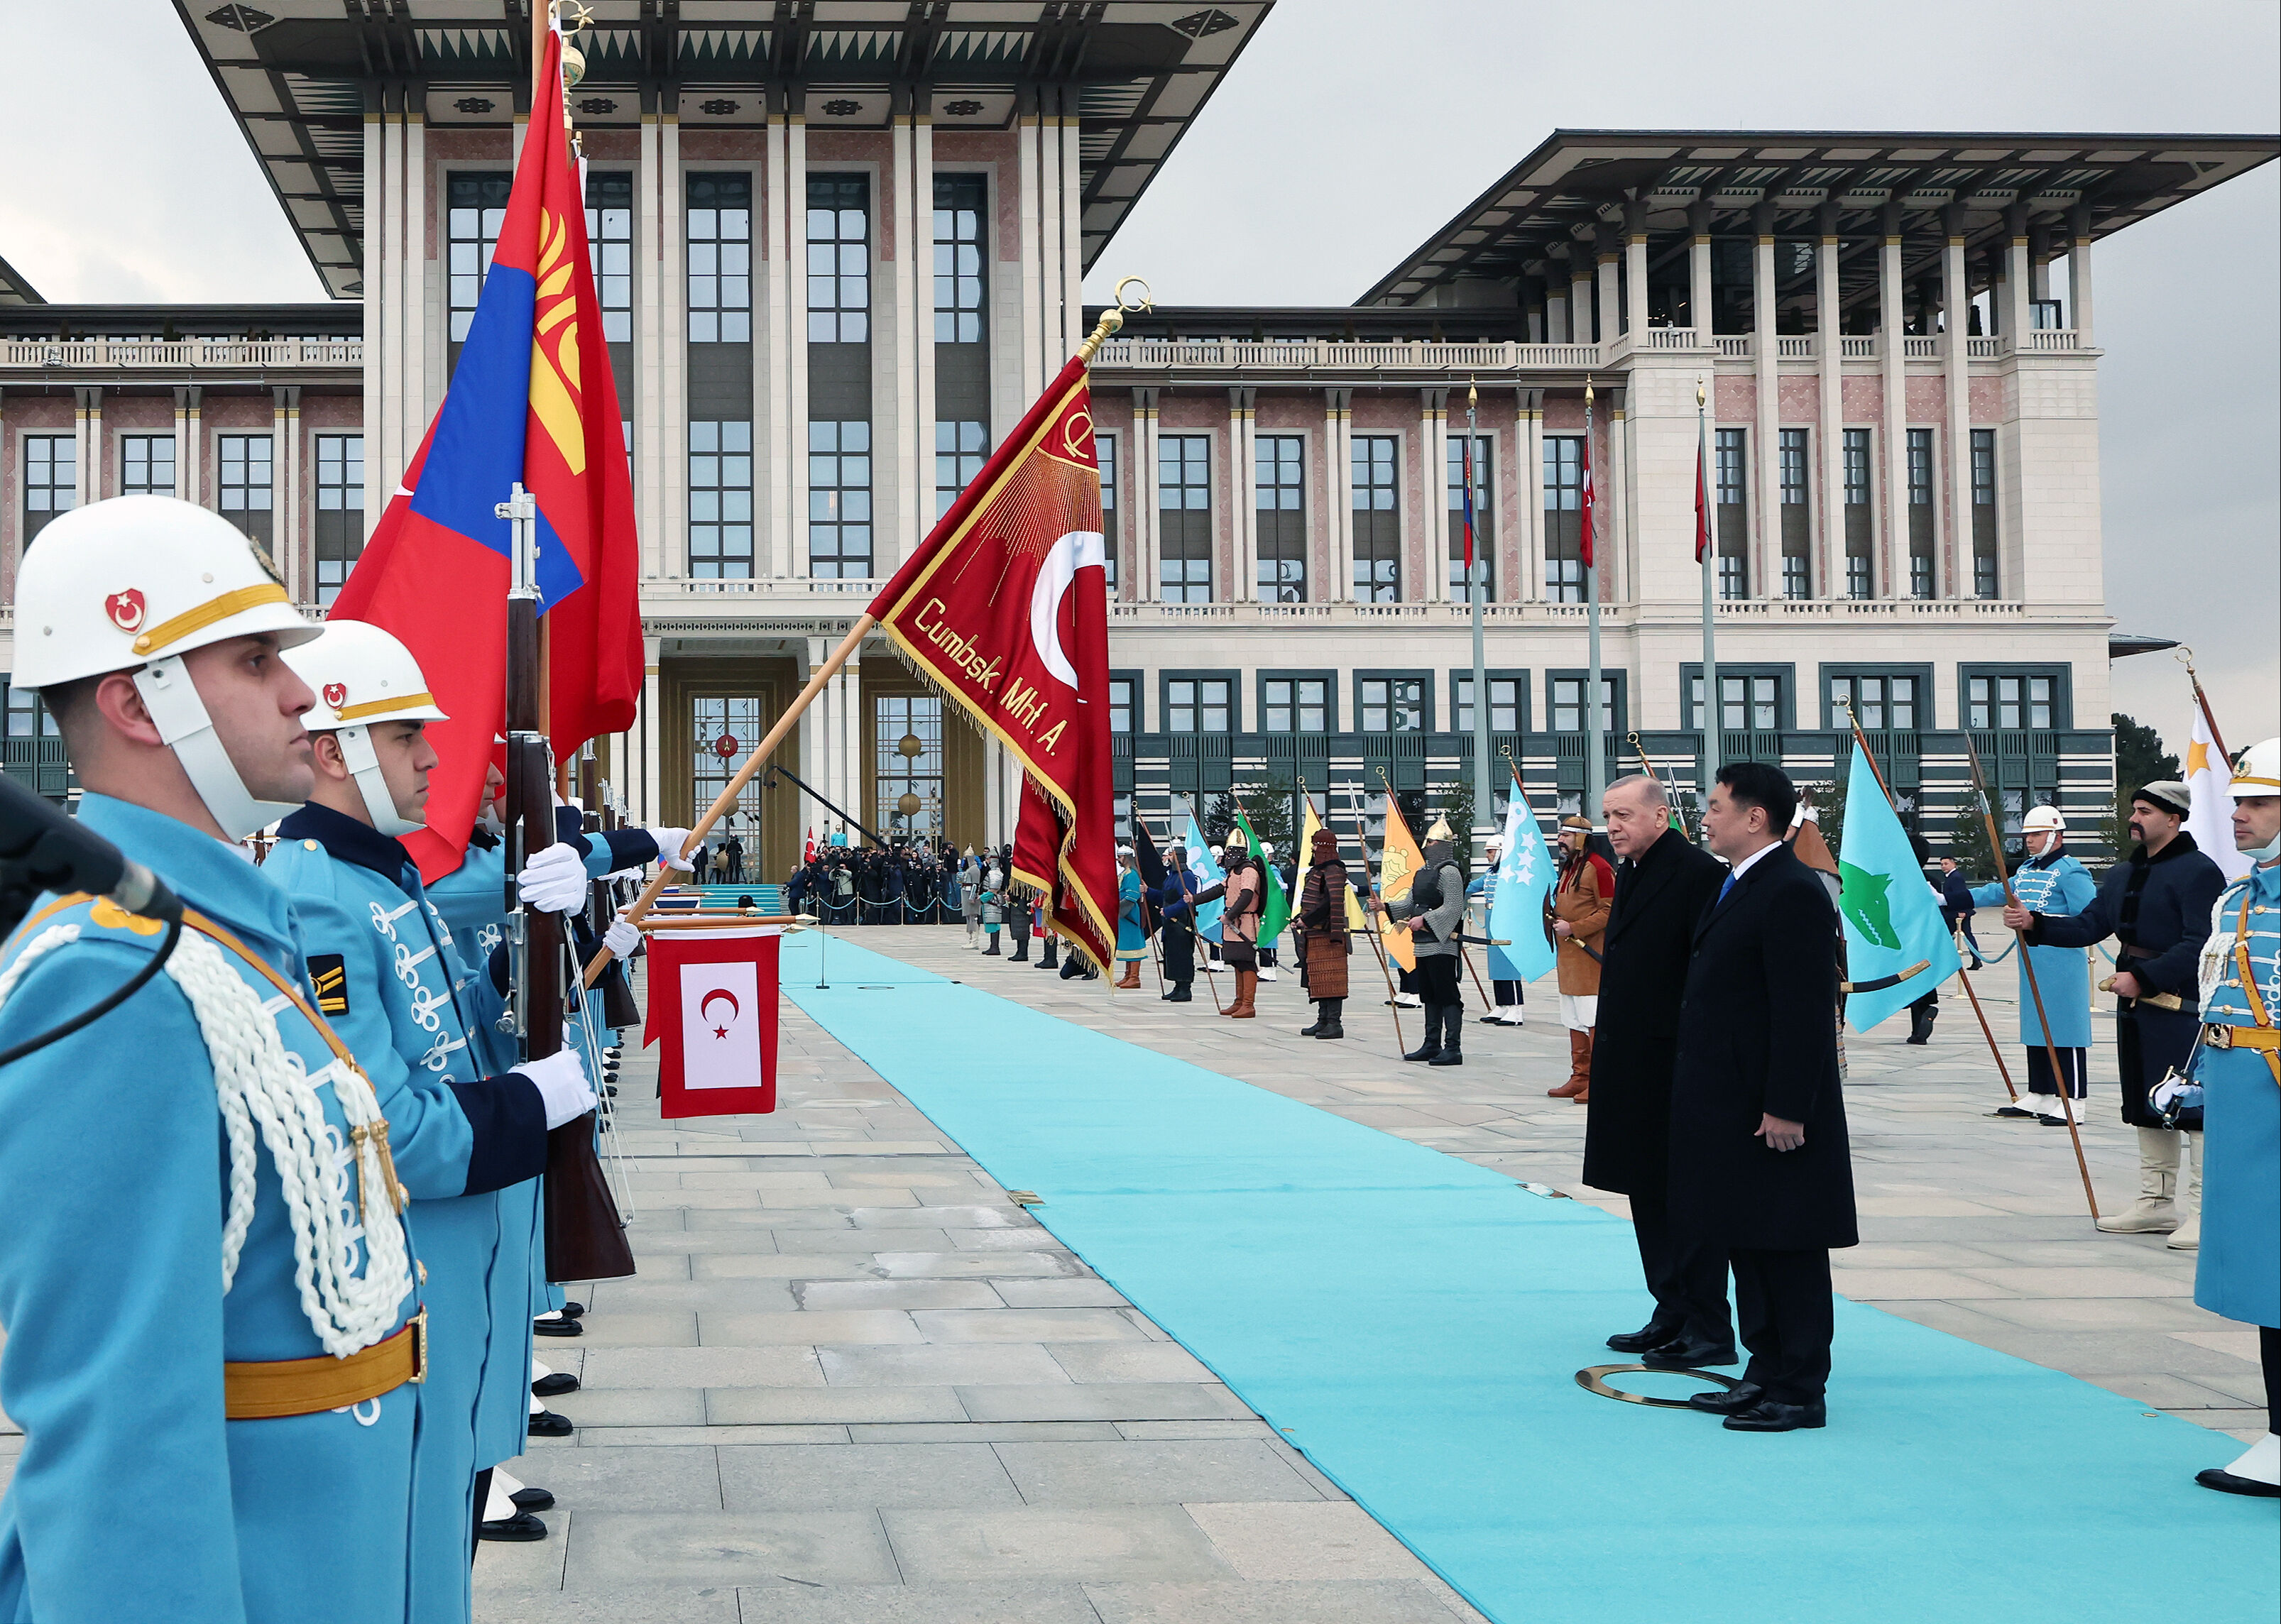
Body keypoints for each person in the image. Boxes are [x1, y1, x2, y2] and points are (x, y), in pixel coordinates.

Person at [0, 497, 425, 1618]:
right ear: (139, 704)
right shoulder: (112, 978)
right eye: (254, 661)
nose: (303, 691)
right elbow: (120, 1429)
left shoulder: (230, 943)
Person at [263, 626, 656, 1604]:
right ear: (334, 750)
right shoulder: (317, 896)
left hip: (460, 1274)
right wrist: (533, 1101)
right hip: (411, 1271)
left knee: (447, 1547)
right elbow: (385, 1127)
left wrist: (541, 949)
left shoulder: (386, 878)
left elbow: (461, 1024)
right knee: (414, 1569)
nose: (433, 757)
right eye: (405, 737)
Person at [1671, 763, 1856, 1432]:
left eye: (1717, 806)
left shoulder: (1791, 890)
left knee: (1789, 1245)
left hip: (1774, 1107)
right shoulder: (1737, 884)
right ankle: (1764, 1369)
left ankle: (1800, 1387)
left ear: (1755, 818)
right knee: (1748, 1238)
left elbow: (1803, 1010)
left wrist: (1787, 1105)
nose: (1706, 816)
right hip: (1731, 1103)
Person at [2006, 780, 2225, 1243]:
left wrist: (2145, 977)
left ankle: (2207, 1211)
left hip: (2181, 1005)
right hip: (2136, 1007)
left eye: (2145, 811)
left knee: (2191, 1104)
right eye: (2134, 810)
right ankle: (2155, 1202)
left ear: (2173, 818)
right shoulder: (2124, 874)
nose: (2135, 818)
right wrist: (2035, 924)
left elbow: (2198, 942)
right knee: (2147, 1100)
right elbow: (2090, 925)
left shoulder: (2198, 871)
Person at [1582, 773, 1734, 1368]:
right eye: (1607, 815)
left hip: (1674, 1065)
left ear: (1659, 816)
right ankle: (1669, 1309)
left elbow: (1706, 976)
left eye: (1622, 815)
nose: (1612, 826)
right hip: (1633, 1063)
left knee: (1685, 1198)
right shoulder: (1636, 870)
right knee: (1647, 1192)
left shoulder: (1697, 875)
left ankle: (1707, 1327)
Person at [2184, 738, 2280, 1497]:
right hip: (2243, 1095)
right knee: (2261, 1273)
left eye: (2259, 801)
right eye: (2240, 800)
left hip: (2274, 1094)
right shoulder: (2239, 896)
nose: (2238, 813)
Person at [1971, 806, 2096, 1126]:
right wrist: (1948, 897)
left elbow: (2090, 917)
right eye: (2026, 835)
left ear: (2056, 835)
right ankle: (2041, 1093)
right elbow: (1996, 892)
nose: (2029, 841)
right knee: (2037, 1026)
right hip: (2032, 960)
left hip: (2063, 959)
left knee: (2066, 1029)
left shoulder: (2071, 872)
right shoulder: (2026, 869)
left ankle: (2074, 1099)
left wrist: (2039, 922)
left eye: (2036, 834)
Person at [1378, 816, 1467, 1065]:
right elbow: (1410, 903)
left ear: (1440, 845)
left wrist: (1425, 920)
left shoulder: (1450, 872)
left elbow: (1453, 907)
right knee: (1429, 994)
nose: (1426, 847)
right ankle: (1431, 1044)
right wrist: (1384, 906)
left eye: (1430, 843)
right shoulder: (1423, 872)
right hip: (1423, 944)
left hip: (1442, 942)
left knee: (1446, 994)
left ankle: (1453, 1048)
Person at [1548, 813, 1614, 1100]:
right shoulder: (1568, 867)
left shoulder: (1599, 867)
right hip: (1569, 956)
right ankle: (1580, 1076)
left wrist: (1574, 927)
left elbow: (1610, 910)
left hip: (1590, 956)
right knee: (1573, 1019)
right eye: (1560, 835)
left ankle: (1599, 1079)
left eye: (1566, 836)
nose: (1560, 840)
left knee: (1592, 1018)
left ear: (1582, 838)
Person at [1296, 825, 1351, 1038]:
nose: (1313, 848)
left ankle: (1334, 1023)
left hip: (1329, 934)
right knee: (1319, 979)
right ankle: (1322, 1020)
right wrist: (1299, 919)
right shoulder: (1318, 871)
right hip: (1315, 933)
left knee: (1332, 979)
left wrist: (1307, 919)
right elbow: (1313, 901)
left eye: (1316, 844)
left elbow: (1331, 901)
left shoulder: (1334, 869)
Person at [1467, 836, 1526, 1026]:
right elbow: (1472, 887)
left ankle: (1516, 1008)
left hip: (1507, 919)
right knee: (1496, 964)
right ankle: (1502, 1004)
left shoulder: (1512, 872)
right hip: (1492, 917)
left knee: (1509, 964)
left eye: (1490, 851)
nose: (1487, 855)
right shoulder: (1491, 872)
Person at [1210, 829, 1264, 1018]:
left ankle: (1248, 1005)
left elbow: (1247, 894)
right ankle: (1239, 1001)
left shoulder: (1249, 869)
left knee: (1246, 961)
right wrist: (1194, 899)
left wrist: (1231, 915)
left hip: (1245, 922)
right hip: (1233, 923)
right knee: (1236, 961)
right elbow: (1219, 889)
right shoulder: (1234, 870)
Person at [1151, 845, 1201, 1002]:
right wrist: (1148, 891)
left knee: (1182, 955)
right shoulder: (1171, 876)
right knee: (1172, 955)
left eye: (1171, 855)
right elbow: (1165, 896)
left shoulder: (1186, 876)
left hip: (1182, 923)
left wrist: (1169, 911)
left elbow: (1186, 900)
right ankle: (1178, 986)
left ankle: (1185, 989)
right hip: (1170, 925)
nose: (1168, 858)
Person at [1940, 855, 1984, 967]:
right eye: (1942, 864)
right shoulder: (1951, 877)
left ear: (1953, 863)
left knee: (1954, 936)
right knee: (1965, 935)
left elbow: (1960, 895)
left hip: (1957, 913)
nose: (1943, 866)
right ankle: (1976, 960)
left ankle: (1975, 960)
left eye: (1946, 864)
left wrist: (1962, 911)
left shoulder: (1955, 877)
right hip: (1956, 912)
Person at [1113, 847, 1147, 988]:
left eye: (1120, 857)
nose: (1119, 860)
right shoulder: (1124, 873)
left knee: (1133, 944)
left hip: (1129, 913)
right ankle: (1128, 975)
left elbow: (1132, 895)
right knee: (1127, 944)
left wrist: (1120, 909)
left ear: (1127, 857)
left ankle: (1135, 977)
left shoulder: (1132, 874)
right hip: (1123, 914)